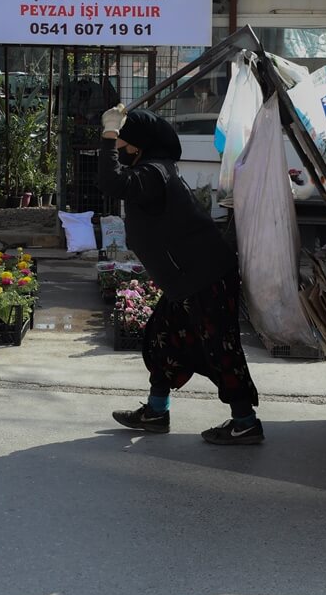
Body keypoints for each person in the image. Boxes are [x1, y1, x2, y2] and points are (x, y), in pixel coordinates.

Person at [98, 105, 264, 446]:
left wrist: (109, 132)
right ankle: (157, 412)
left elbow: (110, 180)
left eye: (123, 144)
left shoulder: (154, 173)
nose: (119, 150)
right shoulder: (153, 170)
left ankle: (245, 421)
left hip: (206, 275)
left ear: (139, 146)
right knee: (161, 338)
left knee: (221, 348)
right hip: (187, 280)